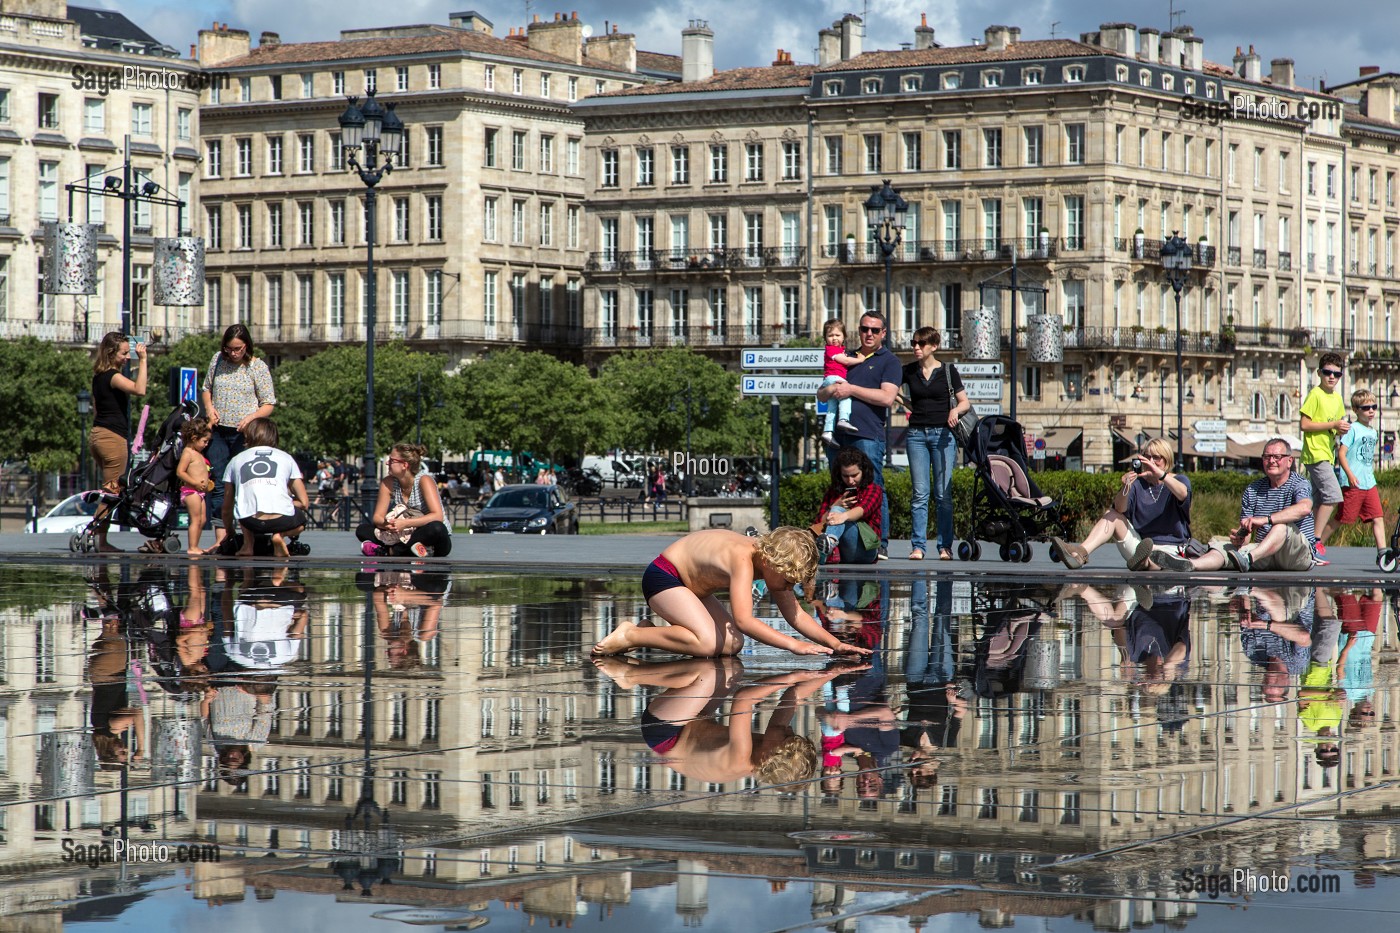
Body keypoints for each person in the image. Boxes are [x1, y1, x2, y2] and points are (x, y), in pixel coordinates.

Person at [592, 527, 871, 658]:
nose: (788, 589)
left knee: (731, 645)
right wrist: (794, 645)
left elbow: (796, 615)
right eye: (787, 582)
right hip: (664, 577)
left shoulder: (771, 562)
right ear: (772, 563)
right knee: (705, 643)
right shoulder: (742, 558)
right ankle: (632, 634)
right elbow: (744, 620)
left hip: (691, 589)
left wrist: (835, 644)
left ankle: (649, 632)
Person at [593, 656, 853, 788]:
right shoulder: (769, 748)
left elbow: (743, 700)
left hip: (664, 733)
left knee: (710, 673)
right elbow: (793, 696)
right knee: (732, 668)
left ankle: (632, 674)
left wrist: (793, 674)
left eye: (786, 737)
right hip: (693, 721)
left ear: (769, 756)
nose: (787, 729)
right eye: (792, 734)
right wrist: (834, 673)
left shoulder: (742, 758)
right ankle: (649, 666)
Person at [1152, 437, 1318, 573]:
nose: (1271, 461)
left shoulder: (1299, 483)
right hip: (1263, 552)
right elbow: (1246, 537)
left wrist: (1266, 519)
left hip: (1296, 555)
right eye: (1267, 457)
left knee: (1281, 527)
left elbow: (1304, 508)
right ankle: (1190, 565)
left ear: (1289, 461)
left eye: (1277, 457)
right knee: (1222, 546)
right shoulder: (1253, 489)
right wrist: (1240, 538)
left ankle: (1247, 559)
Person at [818, 311, 902, 559]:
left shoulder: (889, 361)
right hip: (837, 435)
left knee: (873, 487)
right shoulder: (846, 356)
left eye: (875, 330)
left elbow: (887, 398)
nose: (869, 334)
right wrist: (830, 389)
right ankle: (839, 542)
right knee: (837, 487)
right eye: (865, 328)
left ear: (883, 333)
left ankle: (880, 542)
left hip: (866, 434)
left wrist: (851, 389)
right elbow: (821, 395)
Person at [1050, 438, 1192, 571]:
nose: (1151, 461)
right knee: (1112, 514)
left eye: (1156, 458)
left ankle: (1148, 563)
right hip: (1141, 547)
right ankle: (1080, 554)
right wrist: (1125, 488)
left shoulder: (1179, 480)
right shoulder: (1138, 484)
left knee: (1159, 558)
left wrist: (1160, 475)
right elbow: (1119, 509)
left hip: (1171, 548)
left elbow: (1183, 494)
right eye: (1147, 457)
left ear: (1166, 460)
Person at [201, 324, 277, 548]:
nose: (233, 353)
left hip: (243, 434)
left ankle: (248, 539)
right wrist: (209, 408)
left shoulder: (257, 366)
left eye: (237, 349)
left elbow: (268, 403)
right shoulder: (218, 360)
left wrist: (251, 418)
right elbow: (206, 388)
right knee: (219, 482)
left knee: (244, 483)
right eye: (229, 349)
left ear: (246, 346)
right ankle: (221, 538)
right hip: (218, 430)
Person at [902, 326, 971, 560]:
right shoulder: (909, 371)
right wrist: (905, 402)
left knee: (943, 494)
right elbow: (893, 391)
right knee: (920, 494)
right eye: (914, 343)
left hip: (944, 435)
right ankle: (918, 547)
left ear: (934, 346)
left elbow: (965, 403)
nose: (916, 348)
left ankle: (944, 546)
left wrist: (954, 410)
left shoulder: (949, 371)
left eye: (921, 344)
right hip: (916, 436)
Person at [89, 332, 148, 552]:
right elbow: (140, 390)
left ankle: (99, 538)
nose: (126, 357)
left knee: (109, 489)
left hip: (98, 434)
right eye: (124, 353)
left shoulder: (98, 376)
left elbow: (96, 408)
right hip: (112, 438)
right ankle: (99, 540)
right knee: (112, 491)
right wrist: (142, 360)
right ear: (112, 353)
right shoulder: (112, 376)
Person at [219, 417, 309, 559]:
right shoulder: (286, 458)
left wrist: (230, 532)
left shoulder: (236, 460)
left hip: (250, 521)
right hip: (282, 520)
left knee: (243, 502)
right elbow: (304, 502)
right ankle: (280, 536)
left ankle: (248, 545)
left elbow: (226, 508)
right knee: (302, 521)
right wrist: (283, 501)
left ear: (249, 435)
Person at [1317, 389, 1386, 558]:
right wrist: (1349, 474)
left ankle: (1383, 552)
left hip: (1369, 482)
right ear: (1356, 410)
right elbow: (1341, 453)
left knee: (1378, 516)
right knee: (1343, 517)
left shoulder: (1373, 432)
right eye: (1366, 407)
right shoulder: (1352, 429)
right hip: (1353, 482)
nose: (1371, 411)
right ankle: (1317, 544)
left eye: (1374, 407)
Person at [358, 443, 453, 558]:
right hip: (403, 534)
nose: (387, 463)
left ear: (404, 465)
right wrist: (388, 524)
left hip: (429, 536)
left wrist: (405, 523)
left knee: (437, 528)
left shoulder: (424, 480)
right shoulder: (388, 482)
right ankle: (415, 550)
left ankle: (390, 551)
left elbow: (437, 516)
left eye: (392, 460)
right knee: (362, 530)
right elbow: (377, 517)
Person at [1299, 352, 1348, 553]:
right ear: (1319, 373)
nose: (1331, 377)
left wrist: (1340, 428)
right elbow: (1304, 424)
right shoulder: (1315, 394)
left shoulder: (1337, 398)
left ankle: (1305, 541)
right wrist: (1334, 424)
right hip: (1315, 453)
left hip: (1327, 454)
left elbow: (1334, 428)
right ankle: (1315, 540)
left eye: (1336, 374)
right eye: (1327, 372)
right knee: (1333, 496)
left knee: (1318, 501)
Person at [810, 447, 884, 565]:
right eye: (845, 476)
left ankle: (829, 543)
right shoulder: (833, 492)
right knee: (836, 509)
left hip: (866, 549)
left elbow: (863, 509)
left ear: (863, 471)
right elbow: (819, 523)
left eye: (855, 475)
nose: (850, 480)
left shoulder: (873, 489)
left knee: (838, 511)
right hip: (842, 552)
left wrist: (843, 515)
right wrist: (835, 505)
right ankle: (827, 546)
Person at [818, 318, 863, 444]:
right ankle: (843, 419)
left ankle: (828, 431)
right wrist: (860, 360)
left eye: (837, 335)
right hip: (834, 378)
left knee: (832, 407)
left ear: (844, 337)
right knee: (846, 396)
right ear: (825, 338)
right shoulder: (831, 349)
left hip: (829, 379)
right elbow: (846, 361)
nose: (834, 338)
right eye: (830, 335)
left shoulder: (840, 350)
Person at [175, 417, 216, 554]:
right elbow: (180, 472)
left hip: (199, 492)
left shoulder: (198, 452)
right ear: (193, 438)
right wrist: (195, 483)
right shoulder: (188, 453)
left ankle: (195, 546)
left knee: (203, 519)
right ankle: (192, 547)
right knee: (196, 519)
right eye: (204, 441)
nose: (206, 444)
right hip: (191, 491)